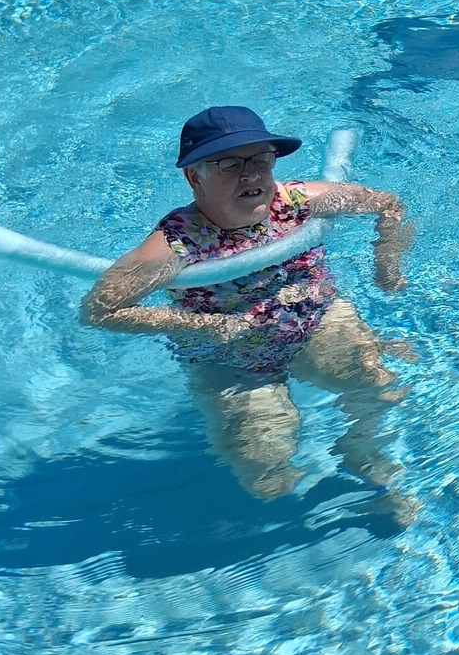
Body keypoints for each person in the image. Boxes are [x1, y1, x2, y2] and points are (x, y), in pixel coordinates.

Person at [81, 105, 416, 514]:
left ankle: (362, 451)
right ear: (194, 177)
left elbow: (388, 205)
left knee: (378, 386)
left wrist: (386, 265)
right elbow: (100, 310)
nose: (251, 174)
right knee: (265, 470)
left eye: (261, 160)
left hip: (314, 321)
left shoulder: (295, 201)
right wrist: (204, 326)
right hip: (229, 356)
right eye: (228, 164)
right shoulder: (177, 244)